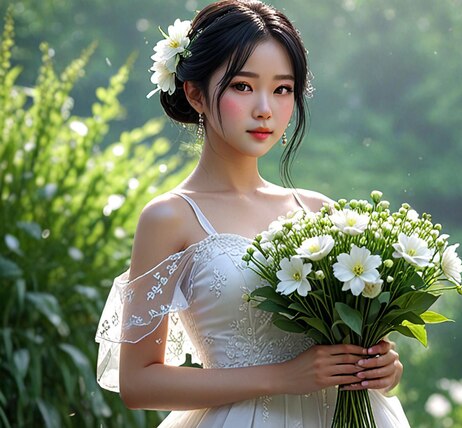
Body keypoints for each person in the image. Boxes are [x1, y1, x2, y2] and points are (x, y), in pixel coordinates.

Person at [95, 1, 410, 426]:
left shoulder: (321, 213)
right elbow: (138, 383)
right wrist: (282, 377)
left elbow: (360, 347)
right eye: (243, 86)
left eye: (282, 89)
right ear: (195, 93)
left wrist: (384, 367)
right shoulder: (169, 217)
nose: (265, 108)